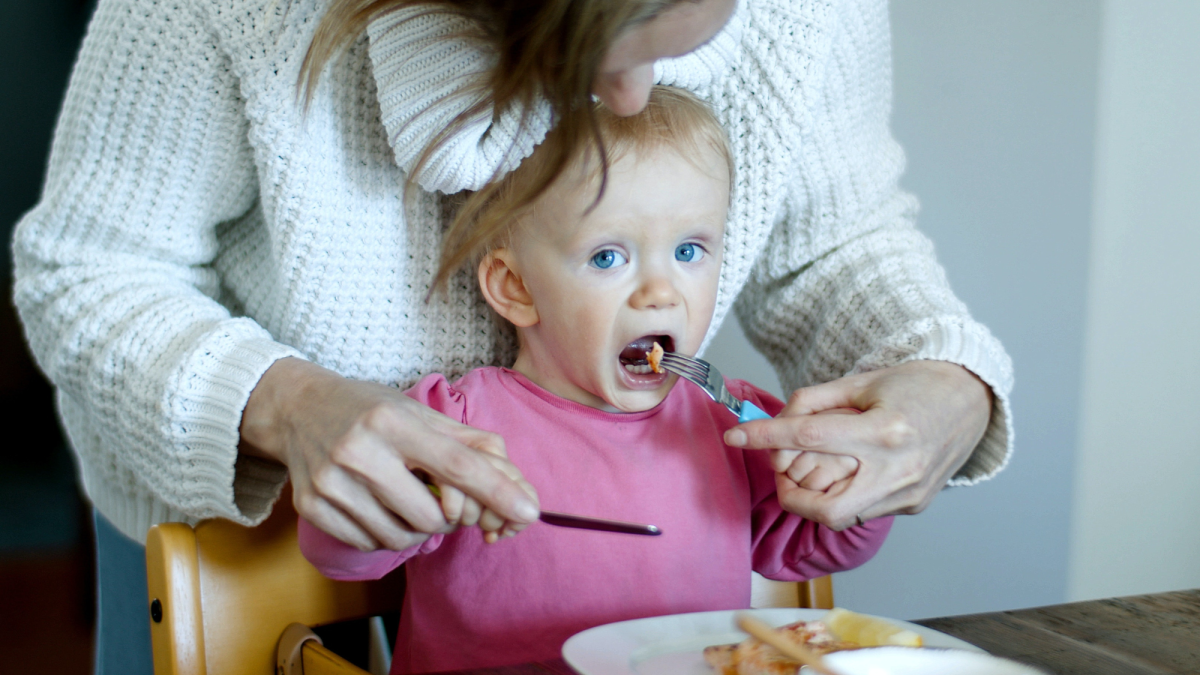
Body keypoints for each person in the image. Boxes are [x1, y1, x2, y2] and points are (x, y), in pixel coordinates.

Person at [11, 0, 1012, 673]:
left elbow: (839, 239)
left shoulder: (720, 423)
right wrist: (286, 405)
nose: (627, 98)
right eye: (614, 45)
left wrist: (946, 388)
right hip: (241, 519)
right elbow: (91, 268)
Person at [297, 85, 892, 673]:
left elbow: (821, 543)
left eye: (689, 251)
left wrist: (850, 486)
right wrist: (385, 505)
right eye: (609, 257)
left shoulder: (737, 423)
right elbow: (345, 553)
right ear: (517, 288)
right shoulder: (451, 425)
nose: (662, 292)